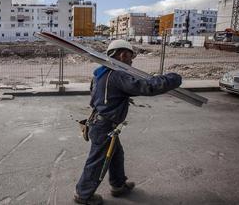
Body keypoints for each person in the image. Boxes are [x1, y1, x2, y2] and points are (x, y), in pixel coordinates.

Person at [74, 39, 182, 205]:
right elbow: (148, 87)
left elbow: (99, 96)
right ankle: (83, 195)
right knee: (97, 161)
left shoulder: (100, 72)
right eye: (131, 57)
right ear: (123, 55)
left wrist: (116, 99)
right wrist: (173, 78)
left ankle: (118, 185)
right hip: (105, 126)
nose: (131, 62)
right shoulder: (117, 75)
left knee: (116, 155)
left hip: (101, 122)